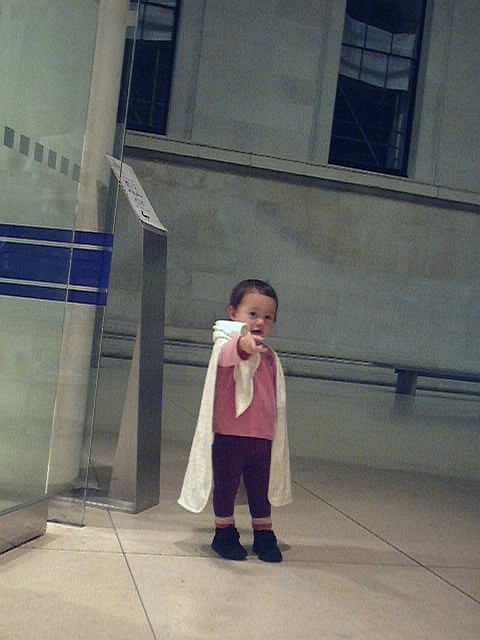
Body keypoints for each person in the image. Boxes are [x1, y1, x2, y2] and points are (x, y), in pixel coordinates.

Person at [178, 279, 292, 562]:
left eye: (268, 317)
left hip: (262, 438)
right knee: (226, 486)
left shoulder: (269, 357)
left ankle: (263, 532)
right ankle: (224, 531)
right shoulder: (226, 346)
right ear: (233, 313)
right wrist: (244, 345)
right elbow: (232, 355)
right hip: (229, 435)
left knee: (260, 488)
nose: (260, 322)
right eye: (252, 314)